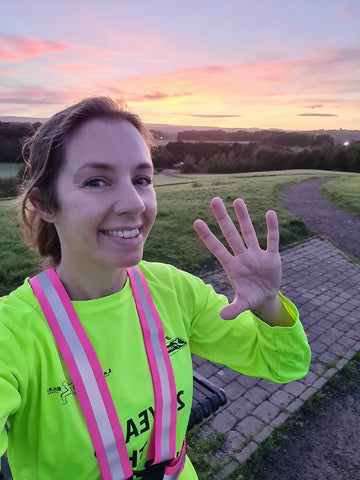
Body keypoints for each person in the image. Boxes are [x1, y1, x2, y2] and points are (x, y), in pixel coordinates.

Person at [0, 96, 311, 480]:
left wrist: (266, 305)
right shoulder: (12, 332)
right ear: (45, 204)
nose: (133, 203)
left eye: (142, 179)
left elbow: (285, 363)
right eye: (96, 181)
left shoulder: (173, 290)